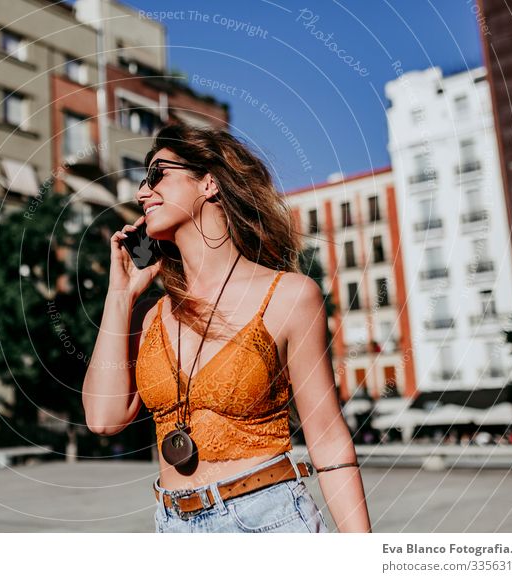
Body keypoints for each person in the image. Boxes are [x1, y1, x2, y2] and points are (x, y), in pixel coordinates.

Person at [82, 123, 372, 533]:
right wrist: (120, 295)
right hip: (174, 526)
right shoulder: (148, 315)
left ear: (209, 183)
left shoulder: (289, 296)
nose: (141, 192)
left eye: (156, 174)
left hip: (269, 521)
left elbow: (327, 438)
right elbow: (103, 418)